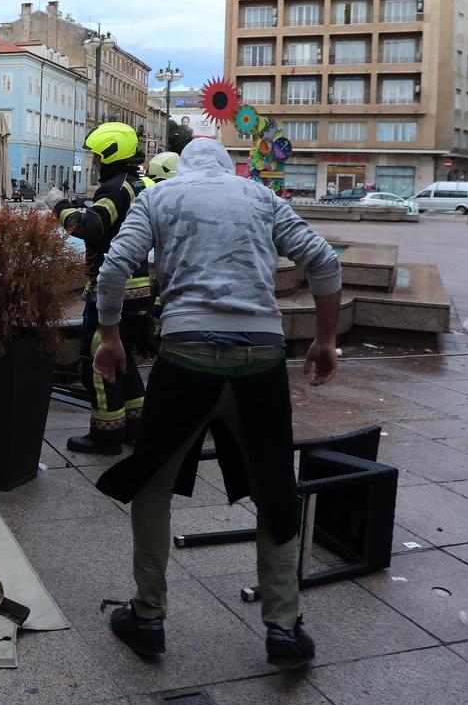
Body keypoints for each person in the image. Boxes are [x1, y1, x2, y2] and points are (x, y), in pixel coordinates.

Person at [91, 138, 342, 671]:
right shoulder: (260, 197)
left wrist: (111, 337)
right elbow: (322, 260)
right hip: (261, 359)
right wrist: (324, 340)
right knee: (276, 484)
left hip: (186, 356)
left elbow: (114, 270)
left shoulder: (159, 197)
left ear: (183, 167)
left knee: (153, 482)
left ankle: (148, 617)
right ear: (230, 168)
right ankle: (284, 629)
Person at [53, 122, 157, 454]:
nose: (94, 164)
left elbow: (91, 227)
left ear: (111, 154)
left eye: (97, 157)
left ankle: (106, 433)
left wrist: (58, 205)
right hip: (138, 287)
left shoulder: (115, 188)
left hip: (113, 290)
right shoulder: (141, 182)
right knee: (122, 358)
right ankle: (135, 425)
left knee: (100, 359)